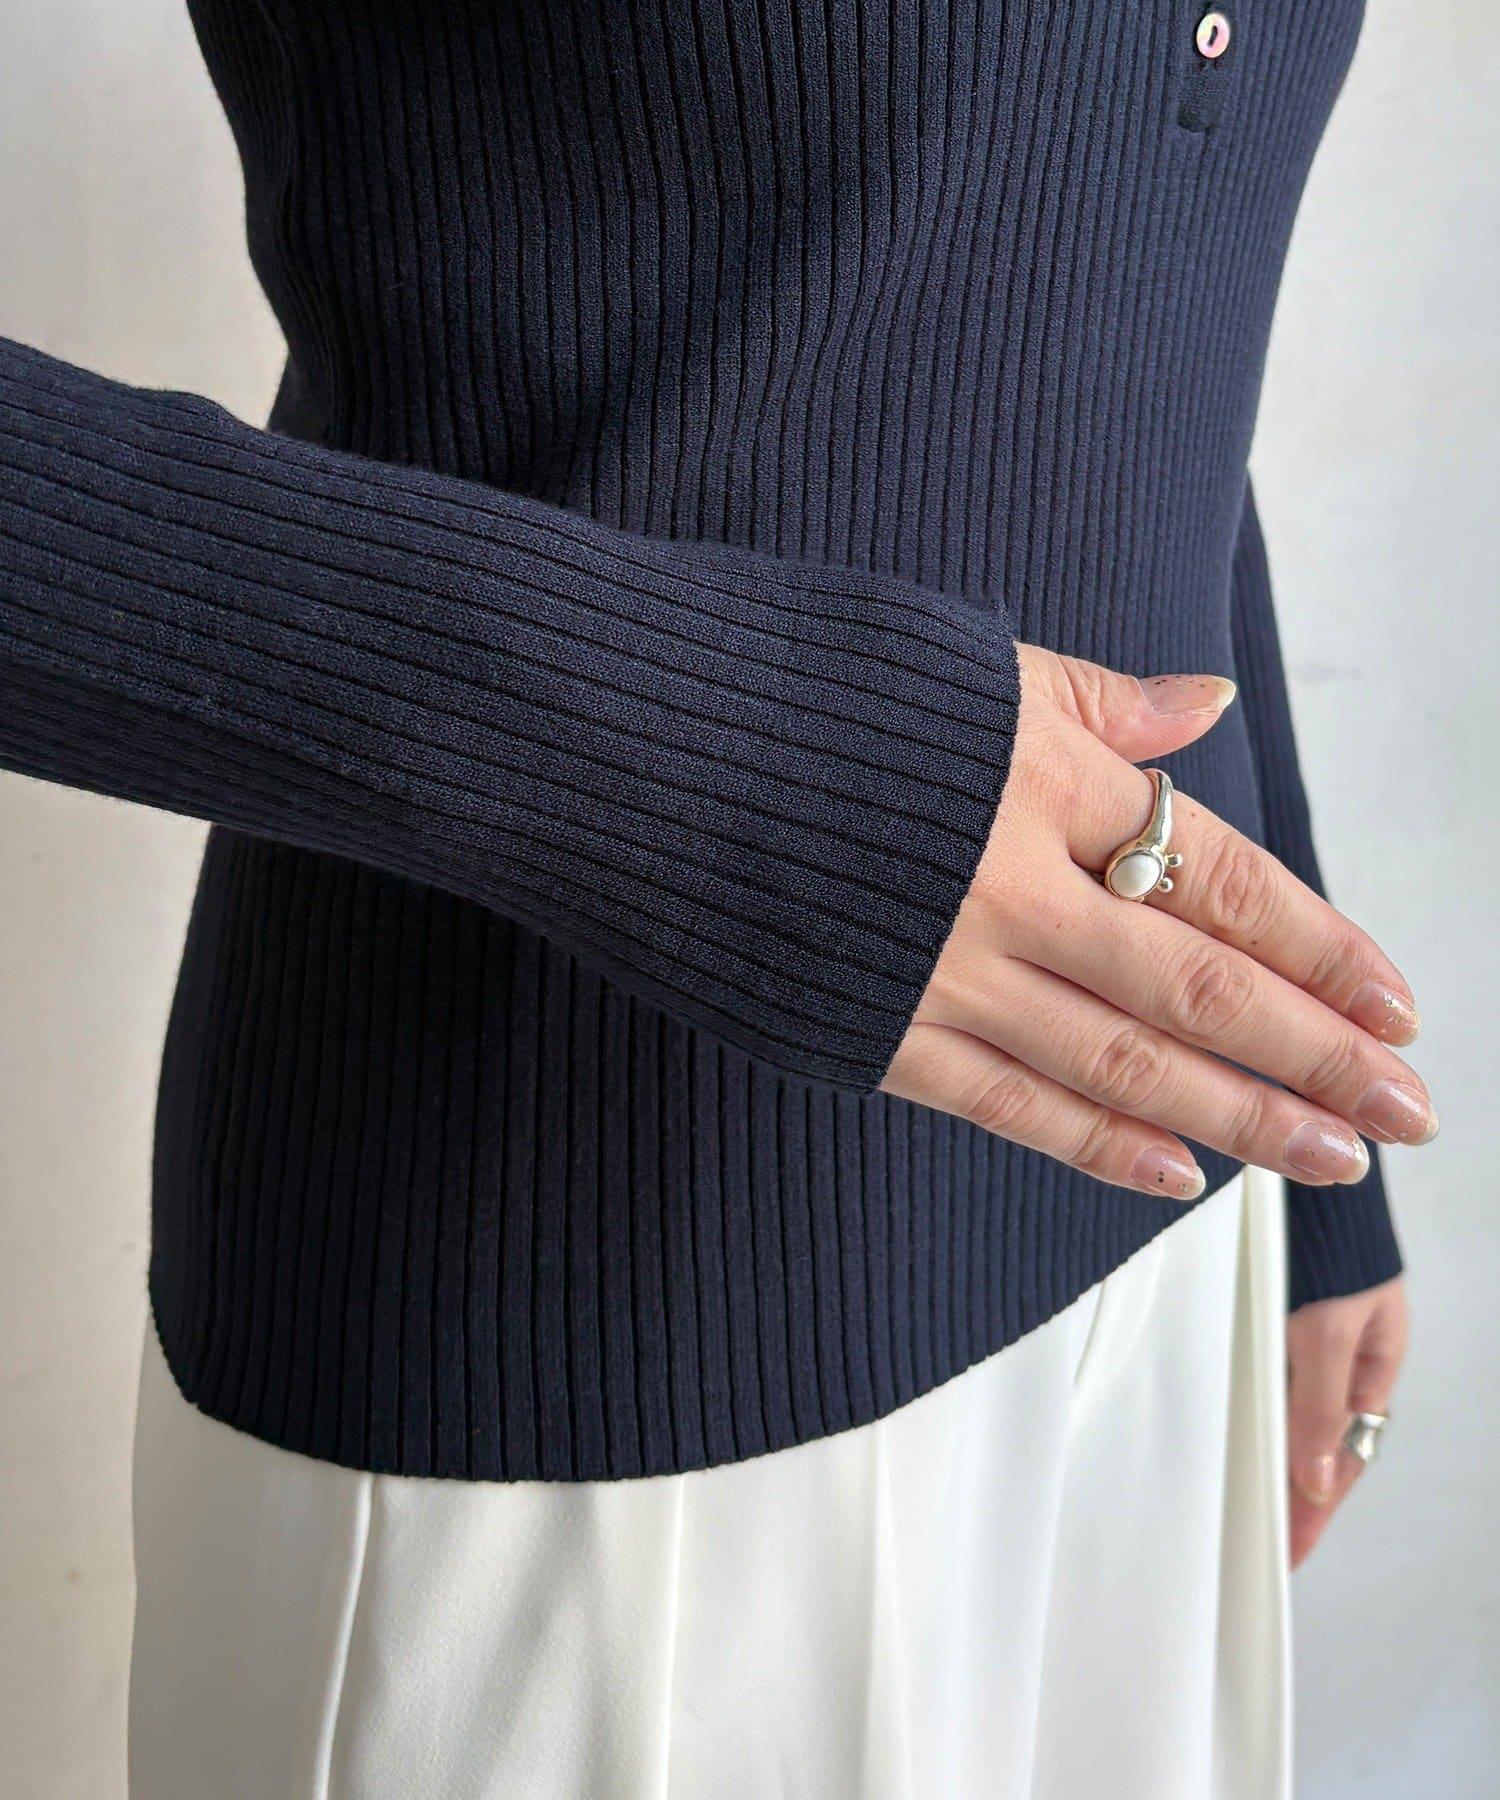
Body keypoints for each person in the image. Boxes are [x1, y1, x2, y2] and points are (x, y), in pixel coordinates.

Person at [0, 2, 1429, 1793]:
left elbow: (1108, 283)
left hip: (1152, 1243)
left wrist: (1304, 1117)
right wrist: (718, 751)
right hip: (583, 1350)